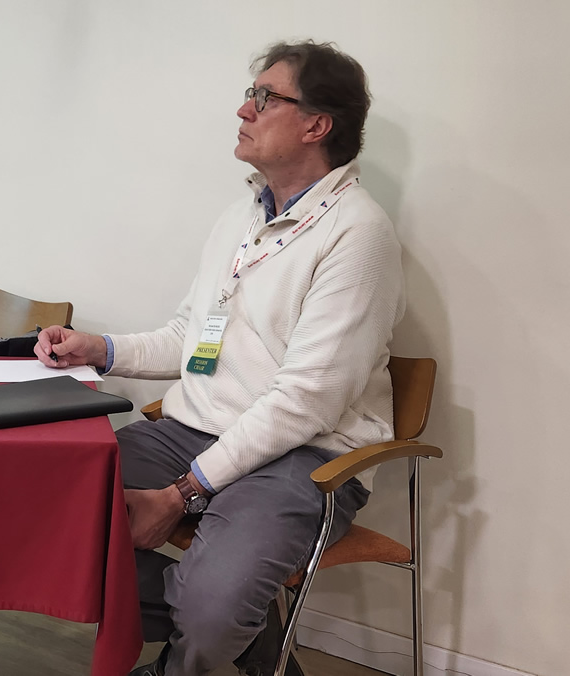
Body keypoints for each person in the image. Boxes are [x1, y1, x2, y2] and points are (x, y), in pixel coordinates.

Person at [35, 40, 405, 676]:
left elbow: (307, 401)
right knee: (40, 507)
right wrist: (102, 350)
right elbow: (194, 337)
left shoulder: (357, 235)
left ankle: (205, 642)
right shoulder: (242, 217)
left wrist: (182, 494)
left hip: (305, 456)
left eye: (265, 97)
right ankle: (250, 638)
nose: (243, 109)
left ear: (317, 125)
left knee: (212, 610)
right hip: (192, 430)